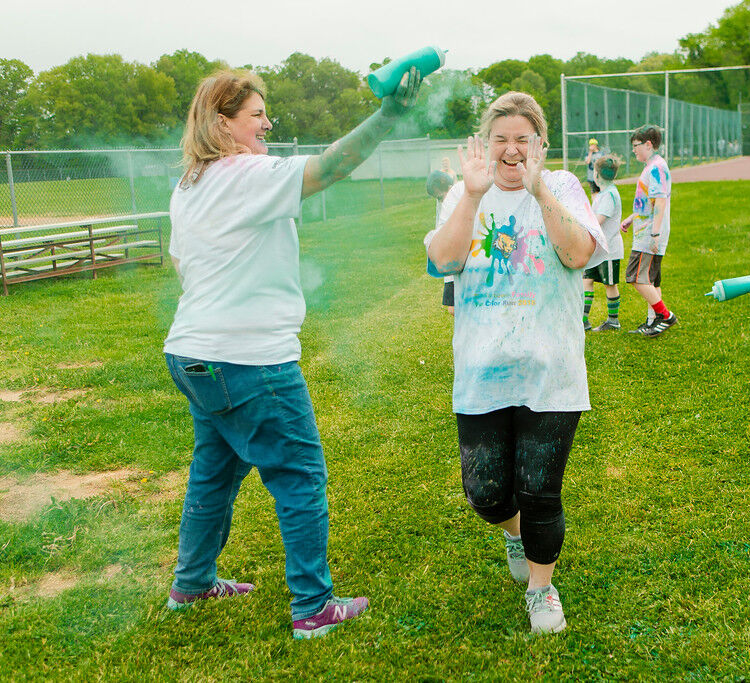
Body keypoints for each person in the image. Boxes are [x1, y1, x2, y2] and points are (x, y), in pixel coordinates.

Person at [162, 67, 421, 639]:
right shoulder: (244, 173)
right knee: (299, 474)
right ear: (222, 123)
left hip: (193, 354)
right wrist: (390, 115)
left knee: (214, 472)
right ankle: (313, 606)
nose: (267, 123)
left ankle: (192, 581)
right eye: (256, 114)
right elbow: (330, 167)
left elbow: (183, 265)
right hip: (250, 359)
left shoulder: (189, 185)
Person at [424, 92, 607, 634]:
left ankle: (541, 586)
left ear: (540, 145)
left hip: (550, 370)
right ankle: (514, 536)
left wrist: (540, 190)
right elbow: (445, 261)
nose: (510, 150)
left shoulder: (566, 187)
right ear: (485, 145)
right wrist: (472, 197)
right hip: (481, 370)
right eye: (500, 139)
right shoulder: (463, 191)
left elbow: (578, 254)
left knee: (539, 489)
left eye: (522, 140)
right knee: (484, 492)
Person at [620, 125, 676, 337]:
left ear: (649, 144)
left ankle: (665, 316)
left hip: (648, 235)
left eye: (636, 146)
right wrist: (631, 218)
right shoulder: (652, 166)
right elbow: (648, 203)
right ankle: (652, 321)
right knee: (651, 279)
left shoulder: (657, 168)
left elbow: (660, 202)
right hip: (644, 230)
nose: (634, 150)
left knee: (636, 277)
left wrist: (654, 234)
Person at [582, 154, 624, 331]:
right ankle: (583, 320)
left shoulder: (610, 195)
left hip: (609, 250)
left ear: (597, 175)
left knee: (609, 284)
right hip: (596, 249)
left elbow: (597, 220)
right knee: (587, 281)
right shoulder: (603, 194)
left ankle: (613, 321)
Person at [426, 169, 457, 314]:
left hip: (458, 259)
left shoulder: (456, 199)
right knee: (453, 309)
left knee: (454, 309)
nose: (440, 200)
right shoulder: (443, 203)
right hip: (449, 261)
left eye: (440, 196)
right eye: (437, 198)